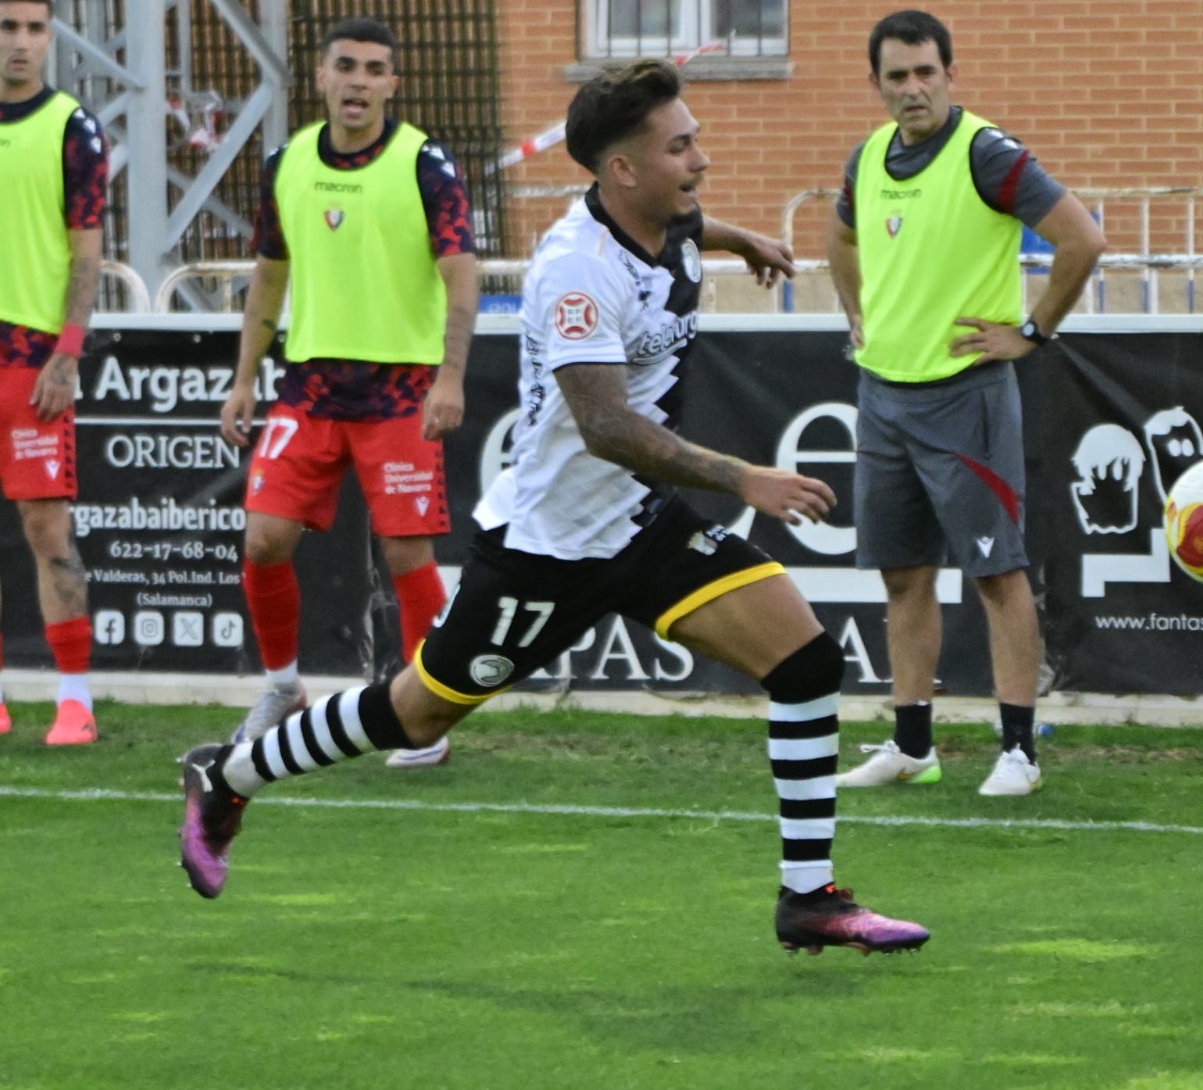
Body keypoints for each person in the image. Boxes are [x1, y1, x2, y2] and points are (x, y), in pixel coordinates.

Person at [179, 58, 929, 955]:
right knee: (417, 711)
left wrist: (745, 242)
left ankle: (809, 899)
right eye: (680, 147)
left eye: (695, 141)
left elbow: (690, 227)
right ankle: (228, 775)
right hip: (548, 550)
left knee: (805, 664)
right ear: (623, 169)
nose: (701, 160)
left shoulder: (666, 215)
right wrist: (743, 479)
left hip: (641, 525)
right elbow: (607, 427)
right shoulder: (575, 270)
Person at [826, 10, 1105, 795]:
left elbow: (1082, 239)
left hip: (966, 397)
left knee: (997, 574)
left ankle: (1019, 750)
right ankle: (912, 745)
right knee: (903, 577)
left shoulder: (987, 153)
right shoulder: (869, 157)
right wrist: (856, 314)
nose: (913, 88)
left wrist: (1032, 332)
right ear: (876, 83)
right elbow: (840, 239)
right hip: (883, 395)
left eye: (926, 72)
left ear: (950, 74)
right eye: (897, 76)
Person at [220, 17, 478, 768]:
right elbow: (269, 273)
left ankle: (428, 717)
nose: (358, 81)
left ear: (392, 83)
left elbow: (461, 273)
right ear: (321, 76)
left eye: (373, 69)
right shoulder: (287, 162)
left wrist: (450, 376)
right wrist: (243, 378)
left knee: (405, 551)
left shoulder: (425, 163)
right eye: (345, 66)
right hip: (310, 388)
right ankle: (282, 689)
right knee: (263, 539)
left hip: (400, 389)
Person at [0, 0, 107, 746]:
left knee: (47, 529)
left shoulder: (73, 127)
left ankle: (75, 700)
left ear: (50, 36)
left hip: (31, 357)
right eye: (7, 26)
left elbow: (87, 249)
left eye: (35, 28)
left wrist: (67, 352)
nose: (20, 41)